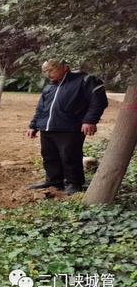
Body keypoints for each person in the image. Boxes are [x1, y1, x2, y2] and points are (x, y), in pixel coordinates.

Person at [26, 59, 108, 195]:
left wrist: (90, 120)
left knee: (70, 156)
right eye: (45, 72)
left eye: (51, 70)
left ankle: (74, 183)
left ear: (65, 67)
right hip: (47, 127)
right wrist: (33, 125)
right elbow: (41, 108)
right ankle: (54, 181)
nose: (48, 74)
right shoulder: (50, 86)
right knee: (49, 155)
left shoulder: (85, 80)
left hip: (70, 127)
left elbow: (98, 101)